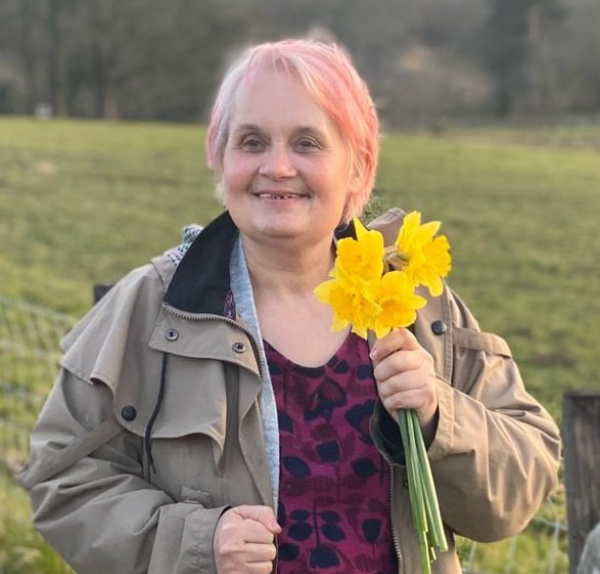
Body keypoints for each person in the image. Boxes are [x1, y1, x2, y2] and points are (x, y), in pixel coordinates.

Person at [17, 39, 561, 574]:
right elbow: (61, 480)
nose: (277, 167)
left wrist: (439, 415)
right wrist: (197, 543)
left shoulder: (419, 306)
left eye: (307, 143)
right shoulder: (154, 307)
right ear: (219, 157)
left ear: (357, 166)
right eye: (251, 141)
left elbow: (526, 482)